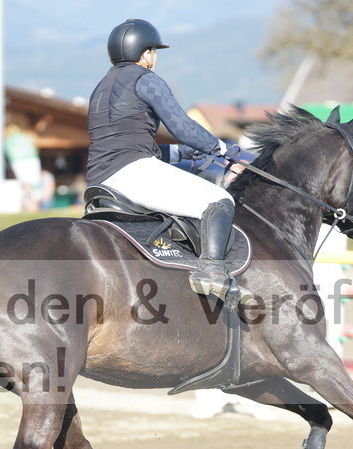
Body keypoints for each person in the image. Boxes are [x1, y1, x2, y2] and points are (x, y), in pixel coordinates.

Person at [87, 18, 248, 302]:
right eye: (154, 51)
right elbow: (182, 127)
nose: (154, 57)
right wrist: (222, 148)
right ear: (145, 53)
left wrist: (183, 153)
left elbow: (132, 144)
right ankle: (212, 272)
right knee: (220, 200)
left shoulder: (99, 90)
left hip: (99, 180)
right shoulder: (145, 79)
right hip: (133, 175)